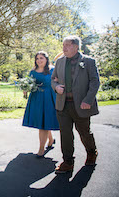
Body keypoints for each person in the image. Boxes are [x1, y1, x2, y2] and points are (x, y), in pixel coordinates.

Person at [51, 35, 100, 174]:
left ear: (76, 46)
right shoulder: (59, 62)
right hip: (63, 105)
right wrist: (56, 87)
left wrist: (88, 100)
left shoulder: (88, 61)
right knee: (65, 134)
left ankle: (91, 152)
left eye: (67, 45)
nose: (63, 48)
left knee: (84, 132)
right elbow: (52, 79)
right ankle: (68, 162)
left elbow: (95, 82)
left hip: (82, 105)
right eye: (63, 45)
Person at [22, 51, 59, 157]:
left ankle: (41, 149)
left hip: (49, 98)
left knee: (44, 122)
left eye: (41, 58)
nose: (39, 60)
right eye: (37, 58)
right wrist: (25, 89)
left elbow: (58, 82)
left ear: (46, 59)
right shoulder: (33, 71)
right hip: (36, 98)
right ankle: (50, 140)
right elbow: (30, 83)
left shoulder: (53, 70)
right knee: (42, 122)